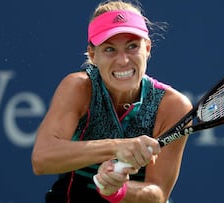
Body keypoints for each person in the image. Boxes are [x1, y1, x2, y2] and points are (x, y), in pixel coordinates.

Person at [31, 0, 193, 202]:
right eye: (109, 49)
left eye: (132, 46)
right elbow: (42, 158)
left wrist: (116, 189)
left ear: (148, 48)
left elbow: (158, 193)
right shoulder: (79, 88)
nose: (123, 60)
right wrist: (117, 147)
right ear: (93, 54)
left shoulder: (173, 106)